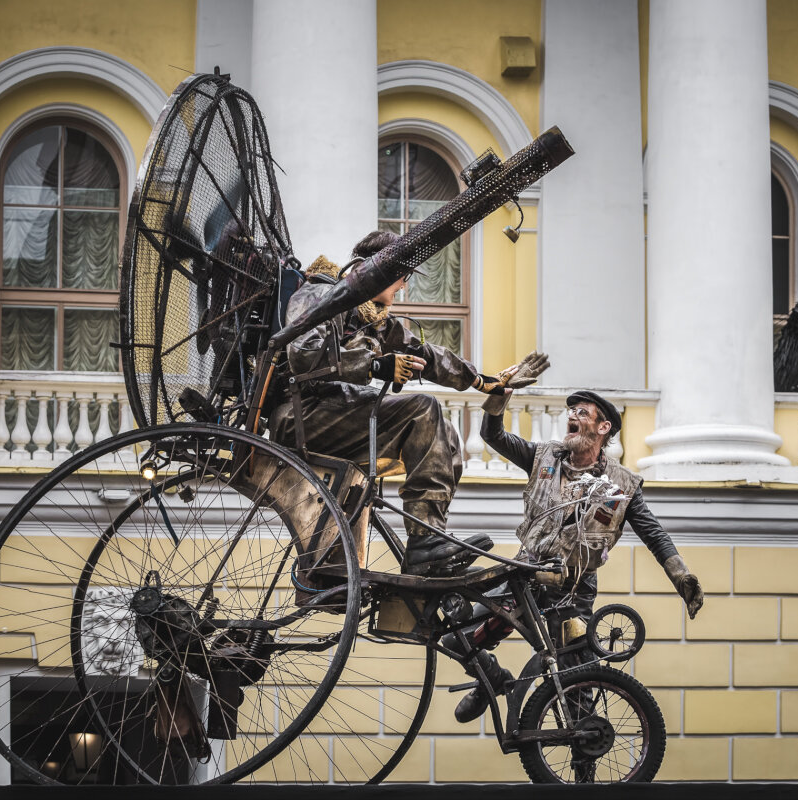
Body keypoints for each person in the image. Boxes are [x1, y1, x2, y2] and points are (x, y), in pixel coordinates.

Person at [268, 230, 539, 577]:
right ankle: (424, 542)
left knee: (448, 438)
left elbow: (426, 354)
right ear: (375, 269)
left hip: (331, 414)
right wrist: (375, 365)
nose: (403, 286)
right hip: (300, 416)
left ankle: (430, 540)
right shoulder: (322, 294)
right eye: (401, 276)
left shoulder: (373, 318)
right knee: (423, 409)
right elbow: (302, 353)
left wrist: (484, 382)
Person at [443, 388, 705, 723]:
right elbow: (490, 435)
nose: (571, 416)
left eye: (581, 412)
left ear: (602, 427)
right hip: (523, 577)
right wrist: (498, 397)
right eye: (571, 412)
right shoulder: (542, 457)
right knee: (454, 637)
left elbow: (654, 534)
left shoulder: (621, 484)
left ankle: (585, 765)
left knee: (577, 684)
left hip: (571, 592)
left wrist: (681, 576)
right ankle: (492, 680)